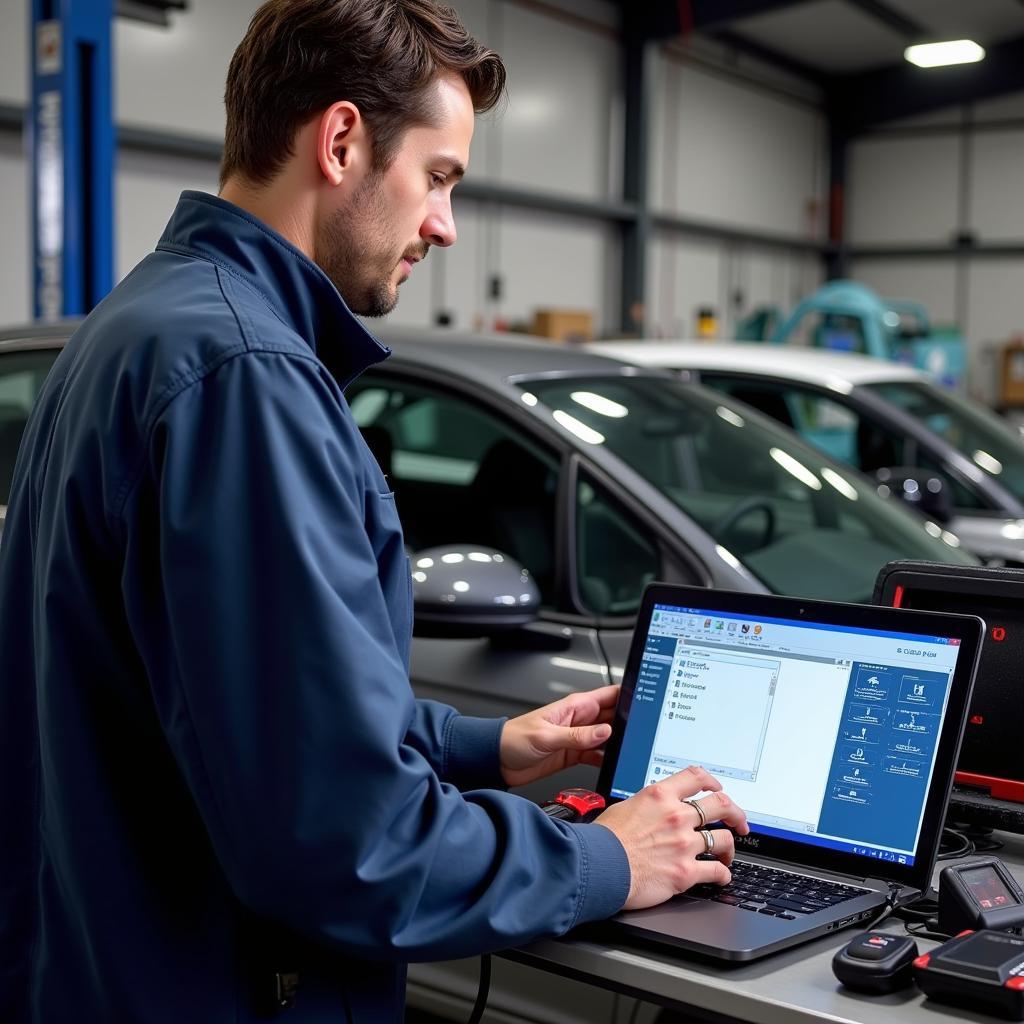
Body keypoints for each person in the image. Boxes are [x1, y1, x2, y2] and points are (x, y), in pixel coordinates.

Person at [0, 2, 748, 1022]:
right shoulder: (244, 378)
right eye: (438, 178)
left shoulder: (137, 326)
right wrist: (603, 855)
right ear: (342, 140)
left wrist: (487, 748)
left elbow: (231, 722)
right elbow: (342, 844)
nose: (444, 225)